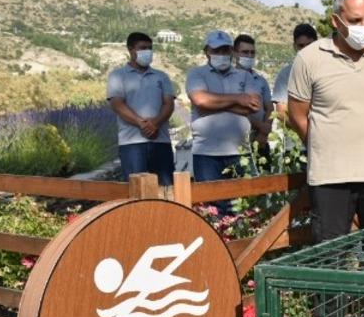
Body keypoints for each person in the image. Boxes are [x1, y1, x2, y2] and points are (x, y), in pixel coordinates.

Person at [286, 0, 364, 243]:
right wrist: (324, 143)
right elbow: (297, 115)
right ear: (335, 20)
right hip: (330, 177)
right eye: (355, 20)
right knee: (330, 257)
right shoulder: (309, 59)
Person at [186, 30, 262, 213]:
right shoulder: (196, 74)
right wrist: (238, 98)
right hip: (206, 153)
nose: (222, 55)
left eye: (226, 50)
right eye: (217, 50)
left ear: (232, 52)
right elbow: (200, 101)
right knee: (211, 209)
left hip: (240, 152)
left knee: (245, 208)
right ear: (207, 52)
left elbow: (252, 106)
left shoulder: (244, 76)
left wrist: (214, 103)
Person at [107, 32, 176, 186]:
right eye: (143, 48)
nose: (148, 52)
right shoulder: (117, 76)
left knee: (166, 189)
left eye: (150, 48)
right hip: (132, 144)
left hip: (161, 142)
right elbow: (117, 104)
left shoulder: (161, 76)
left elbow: (169, 104)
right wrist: (142, 123)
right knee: (137, 192)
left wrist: (156, 123)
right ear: (131, 50)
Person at [233, 34, 273, 164]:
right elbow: (232, 109)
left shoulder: (261, 80)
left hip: (260, 142)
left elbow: (270, 108)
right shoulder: (228, 79)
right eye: (245, 52)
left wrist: (263, 133)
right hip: (236, 145)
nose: (249, 56)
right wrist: (260, 126)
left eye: (252, 53)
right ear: (235, 53)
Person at [273, 23, 318, 123]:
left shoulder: (327, 69)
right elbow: (281, 111)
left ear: (317, 44)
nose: (305, 49)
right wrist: (303, 129)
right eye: (301, 46)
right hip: (295, 136)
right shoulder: (286, 74)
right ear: (294, 46)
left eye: (309, 45)